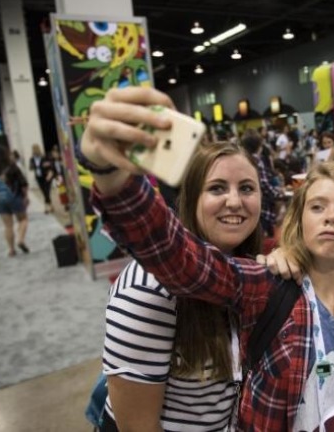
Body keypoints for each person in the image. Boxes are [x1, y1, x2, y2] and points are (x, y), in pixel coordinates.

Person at [81, 86, 334, 430]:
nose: (331, 217)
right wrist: (112, 176)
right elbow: (177, 258)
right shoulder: (263, 285)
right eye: (317, 206)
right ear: (299, 219)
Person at [101, 142, 263, 431]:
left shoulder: (251, 268)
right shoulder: (147, 288)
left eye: (247, 188)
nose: (235, 201)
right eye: (217, 188)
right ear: (191, 198)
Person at [0, 145, 30, 256]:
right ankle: (20, 239)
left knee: (7, 226)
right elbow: (23, 183)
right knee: (23, 219)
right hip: (14, 196)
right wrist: (25, 196)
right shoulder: (12, 166)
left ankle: (11, 249)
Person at [241, 129, 284, 238]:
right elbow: (264, 184)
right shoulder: (257, 161)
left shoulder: (242, 160)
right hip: (262, 206)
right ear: (259, 146)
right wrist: (279, 194)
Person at [28, 143, 54, 213]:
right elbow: (30, 168)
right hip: (39, 177)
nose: (34, 151)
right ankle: (50, 205)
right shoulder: (32, 159)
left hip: (46, 176)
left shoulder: (44, 157)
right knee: (44, 192)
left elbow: (51, 165)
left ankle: (47, 207)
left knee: (46, 191)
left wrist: (49, 170)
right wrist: (35, 166)